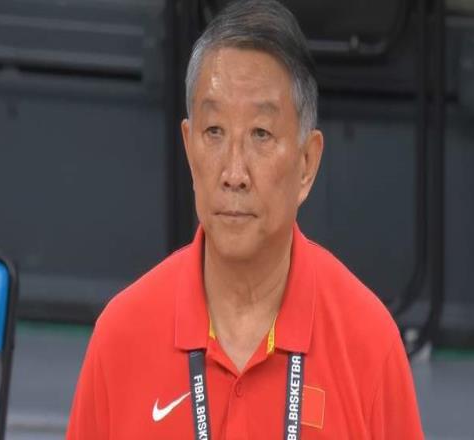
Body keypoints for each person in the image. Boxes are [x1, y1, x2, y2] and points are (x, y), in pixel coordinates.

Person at [66, 0, 424, 438]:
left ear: (307, 163)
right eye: (214, 132)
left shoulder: (369, 343)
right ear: (188, 148)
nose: (234, 173)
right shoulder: (121, 336)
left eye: (261, 134)